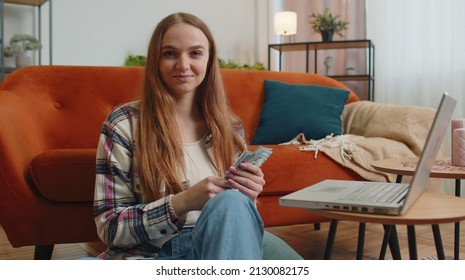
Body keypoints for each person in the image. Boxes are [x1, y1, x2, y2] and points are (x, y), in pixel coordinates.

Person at [93, 12, 302, 260]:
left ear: (209, 60)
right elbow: (110, 226)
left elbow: (235, 221)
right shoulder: (124, 123)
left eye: (195, 53)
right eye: (170, 53)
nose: (183, 65)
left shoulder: (229, 127)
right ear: (156, 61)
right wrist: (182, 202)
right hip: (155, 253)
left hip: (218, 242)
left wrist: (248, 197)